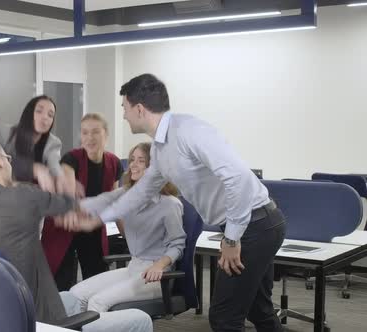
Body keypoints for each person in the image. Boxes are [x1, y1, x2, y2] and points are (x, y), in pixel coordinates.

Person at [58, 74, 287, 332]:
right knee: (260, 311)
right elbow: (138, 193)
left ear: (139, 109)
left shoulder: (188, 131)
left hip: (255, 224)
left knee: (224, 317)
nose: (123, 115)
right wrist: (91, 211)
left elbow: (239, 179)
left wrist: (232, 239)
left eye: (124, 108)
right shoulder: (160, 148)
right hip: (253, 224)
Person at [0, 137, 153, 332]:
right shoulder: (23, 196)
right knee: (139, 319)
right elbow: (82, 207)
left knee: (72, 297)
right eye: (8, 159)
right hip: (41, 321)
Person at [68, 142, 186, 312]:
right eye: (132, 160)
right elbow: (101, 202)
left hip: (156, 275)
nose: (133, 165)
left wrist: (159, 266)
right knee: (76, 294)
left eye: (140, 161)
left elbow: (177, 244)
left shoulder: (170, 204)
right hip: (133, 267)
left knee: (97, 302)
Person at [42, 113, 124, 291]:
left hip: (92, 227)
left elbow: (114, 202)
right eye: (85, 132)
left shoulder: (114, 163)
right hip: (65, 224)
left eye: (95, 132)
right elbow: (68, 190)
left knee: (96, 280)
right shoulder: (72, 158)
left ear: (106, 135)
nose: (89, 138)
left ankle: (94, 315)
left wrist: (128, 236)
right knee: (61, 282)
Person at [0, 95, 66, 194]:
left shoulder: (53, 142)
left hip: (33, 197)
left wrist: (61, 178)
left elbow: (55, 168)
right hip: (5, 192)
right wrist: (33, 168)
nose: (45, 117)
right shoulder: (7, 133)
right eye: (39, 111)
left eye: (50, 115)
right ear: (29, 113)